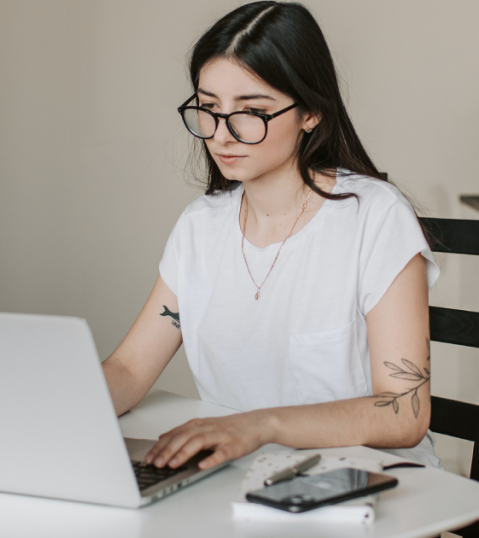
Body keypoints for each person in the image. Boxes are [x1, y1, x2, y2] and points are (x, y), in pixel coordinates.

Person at [101, 1, 441, 472]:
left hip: (366, 482)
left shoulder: (376, 217)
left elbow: (406, 411)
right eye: (208, 107)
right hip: (239, 479)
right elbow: (130, 370)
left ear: (311, 113)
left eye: (251, 111)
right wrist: (49, 404)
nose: (221, 134)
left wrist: (259, 426)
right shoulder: (200, 227)